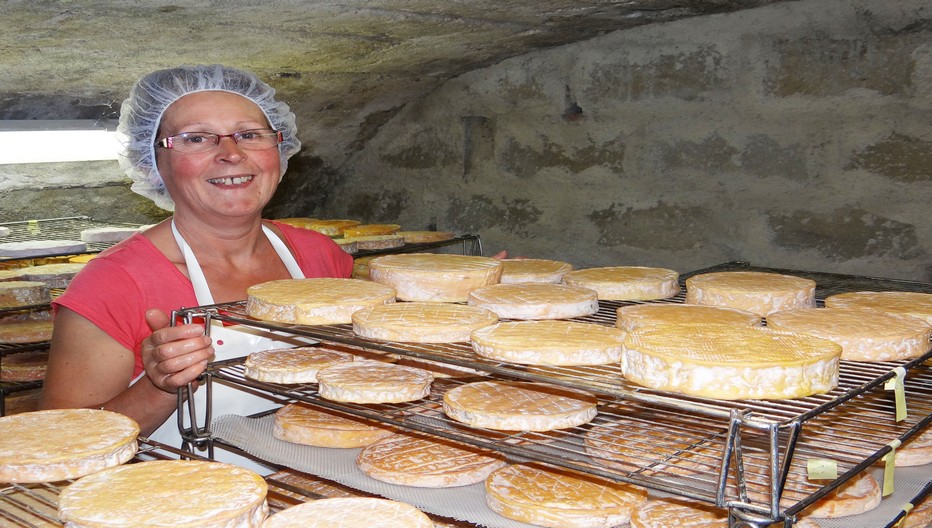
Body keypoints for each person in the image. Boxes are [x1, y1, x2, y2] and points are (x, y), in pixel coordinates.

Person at [39, 65, 353, 470]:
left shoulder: (320, 256)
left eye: (250, 134)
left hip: (324, 489)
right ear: (156, 163)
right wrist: (160, 386)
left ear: (279, 149)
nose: (231, 154)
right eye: (196, 139)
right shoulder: (115, 283)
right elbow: (58, 451)